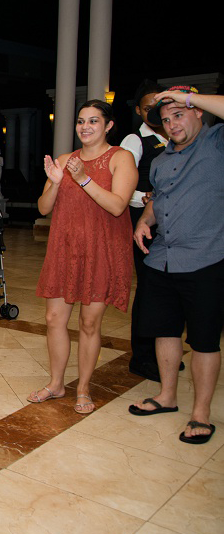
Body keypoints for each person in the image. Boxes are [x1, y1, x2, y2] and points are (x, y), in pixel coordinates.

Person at [128, 87, 224, 445]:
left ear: (197, 112)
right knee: (165, 331)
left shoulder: (216, 144)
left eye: (178, 115)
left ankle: (200, 414)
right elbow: (159, 198)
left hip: (206, 258)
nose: (172, 125)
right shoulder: (161, 160)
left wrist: (187, 97)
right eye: (166, 120)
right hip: (162, 259)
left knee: (203, 341)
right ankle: (167, 396)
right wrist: (144, 221)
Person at [29, 100, 137, 414]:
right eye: (80, 121)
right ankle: (56, 384)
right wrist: (58, 182)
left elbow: (118, 206)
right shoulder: (65, 159)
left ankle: (85, 388)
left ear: (108, 126)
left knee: (89, 324)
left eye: (93, 121)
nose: (85, 127)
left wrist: (83, 179)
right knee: (53, 320)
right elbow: (44, 208)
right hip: (65, 250)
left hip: (102, 251)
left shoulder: (121, 158)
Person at [120, 80, 169, 382]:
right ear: (139, 110)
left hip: (172, 224)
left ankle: (163, 351)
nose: (154, 112)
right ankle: (142, 356)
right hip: (142, 222)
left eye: (158, 106)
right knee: (150, 288)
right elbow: (122, 185)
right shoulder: (135, 140)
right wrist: (145, 198)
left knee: (167, 289)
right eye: (148, 107)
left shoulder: (175, 138)